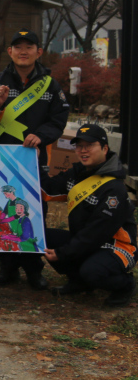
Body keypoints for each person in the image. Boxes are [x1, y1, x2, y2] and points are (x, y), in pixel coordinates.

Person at [0, 29, 69, 290]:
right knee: (4, 213)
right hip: (0, 161)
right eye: (17, 46)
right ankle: (7, 267)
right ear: (9, 52)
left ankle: (33, 269)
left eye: (29, 46)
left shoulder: (50, 85)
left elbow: (59, 118)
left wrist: (40, 136)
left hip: (33, 161)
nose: (23, 51)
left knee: (33, 215)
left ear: (39, 52)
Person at [42, 124, 136, 307]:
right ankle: (79, 282)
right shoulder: (77, 172)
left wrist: (63, 253)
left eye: (89, 145)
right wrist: (35, 160)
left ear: (104, 148)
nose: (83, 151)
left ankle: (125, 285)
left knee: (92, 272)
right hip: (88, 241)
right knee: (43, 238)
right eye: (79, 146)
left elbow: (95, 233)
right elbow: (48, 188)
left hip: (118, 246)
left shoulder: (114, 188)